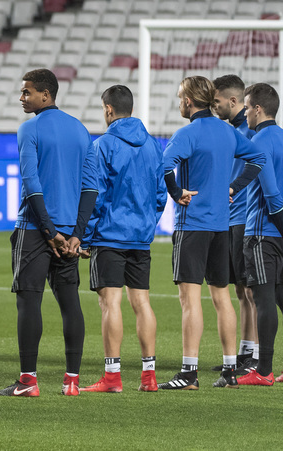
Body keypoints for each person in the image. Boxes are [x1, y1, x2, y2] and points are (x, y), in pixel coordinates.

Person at [0, 68, 98, 398]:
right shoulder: (81, 131)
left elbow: (31, 184)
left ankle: (28, 381)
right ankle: (72, 381)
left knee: (29, 302)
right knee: (70, 304)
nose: (21, 98)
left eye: (26, 92)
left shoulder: (29, 129)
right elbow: (90, 187)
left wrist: (49, 231)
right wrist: (77, 234)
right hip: (69, 233)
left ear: (45, 95)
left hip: (36, 231)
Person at [159, 75, 268, 390]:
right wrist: (234, 186)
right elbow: (258, 158)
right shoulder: (228, 132)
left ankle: (189, 373)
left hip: (193, 225)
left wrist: (177, 191)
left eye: (181, 97)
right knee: (222, 297)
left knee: (190, 299)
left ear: (190, 101)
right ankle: (231, 371)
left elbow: (165, 165)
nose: (180, 102)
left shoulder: (187, 133)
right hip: (222, 225)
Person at [77, 85, 166, 394]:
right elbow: (160, 194)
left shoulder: (103, 146)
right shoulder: (154, 146)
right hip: (140, 237)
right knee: (142, 301)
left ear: (108, 110)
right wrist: (147, 225)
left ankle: (113, 377)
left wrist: (85, 238)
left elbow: (96, 197)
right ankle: (149, 377)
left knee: (110, 302)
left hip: (110, 236)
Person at [237, 83, 283, 385]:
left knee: (263, 299)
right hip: (277, 233)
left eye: (247, 106)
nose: (244, 111)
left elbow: (272, 195)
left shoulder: (260, 140)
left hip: (263, 232)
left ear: (257, 109)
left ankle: (263, 370)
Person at [213, 74, 258, 371]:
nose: (214, 107)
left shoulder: (250, 133)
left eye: (217, 102)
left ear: (233, 101)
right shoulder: (230, 131)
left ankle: (253, 356)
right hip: (229, 218)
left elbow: (259, 166)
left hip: (244, 218)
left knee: (250, 290)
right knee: (240, 289)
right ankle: (245, 353)